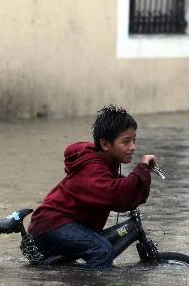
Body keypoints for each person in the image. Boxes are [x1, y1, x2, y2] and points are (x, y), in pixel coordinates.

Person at [27, 105, 156, 269]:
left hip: (59, 225)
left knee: (99, 250)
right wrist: (142, 169)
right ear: (105, 144)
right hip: (52, 226)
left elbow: (121, 192)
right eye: (126, 141)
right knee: (102, 251)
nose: (133, 147)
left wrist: (141, 174)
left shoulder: (105, 162)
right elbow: (116, 194)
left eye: (134, 140)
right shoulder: (93, 168)